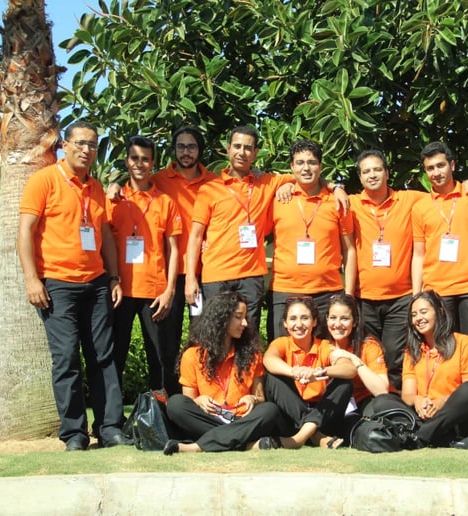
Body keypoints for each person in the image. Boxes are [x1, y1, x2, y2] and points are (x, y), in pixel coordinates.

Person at [18, 121, 130, 450]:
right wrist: (32, 279)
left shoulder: (95, 188)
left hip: (96, 284)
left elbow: (105, 234)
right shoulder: (44, 181)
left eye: (92, 144)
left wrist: (113, 277)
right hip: (57, 285)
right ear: (64, 146)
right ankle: (74, 434)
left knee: (103, 358)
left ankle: (109, 428)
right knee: (66, 359)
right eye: (80, 143)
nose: (86, 150)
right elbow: (25, 231)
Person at [185, 126, 348, 334]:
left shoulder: (267, 182)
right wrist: (191, 278)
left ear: (255, 153)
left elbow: (306, 175)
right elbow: (195, 236)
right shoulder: (209, 189)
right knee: (213, 335)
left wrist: (335, 187)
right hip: (216, 275)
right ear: (228, 149)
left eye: (248, 148)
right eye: (237, 146)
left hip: (251, 277)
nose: (241, 152)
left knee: (248, 336)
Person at [350, 150, 468, 391]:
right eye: (366, 171)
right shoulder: (350, 204)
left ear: (387, 173)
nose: (372, 175)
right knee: (366, 355)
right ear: (359, 177)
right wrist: (334, 186)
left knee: (395, 357)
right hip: (364, 298)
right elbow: (324, 191)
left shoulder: (411, 199)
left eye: (377, 169)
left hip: (401, 298)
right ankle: (369, 407)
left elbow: (443, 190)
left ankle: (397, 406)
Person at [108, 127, 217, 361]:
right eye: (181, 146)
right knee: (168, 341)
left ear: (200, 150)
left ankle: (197, 381)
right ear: (173, 150)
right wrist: (114, 184)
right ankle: (171, 384)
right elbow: (136, 179)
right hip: (170, 274)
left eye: (191, 146)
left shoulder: (214, 183)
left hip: (203, 271)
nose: (186, 152)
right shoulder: (159, 179)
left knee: (203, 335)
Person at [411, 141, 468, 405]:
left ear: (452, 165)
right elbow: (418, 254)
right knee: (444, 355)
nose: (436, 172)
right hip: (437, 292)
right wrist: (417, 295)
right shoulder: (421, 206)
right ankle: (447, 411)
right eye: (430, 168)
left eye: (440, 166)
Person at [106, 136, 182, 398]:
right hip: (120, 290)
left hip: (154, 292)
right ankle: (111, 417)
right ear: (127, 161)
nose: (139, 164)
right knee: (114, 355)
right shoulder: (114, 198)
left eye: (145, 159)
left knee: (160, 359)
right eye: (135, 158)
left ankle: (161, 414)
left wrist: (170, 290)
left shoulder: (165, 202)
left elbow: (173, 249)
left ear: (153, 163)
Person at [164, 291, 282, 453]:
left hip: (242, 418)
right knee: (175, 404)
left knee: (270, 410)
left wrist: (253, 398)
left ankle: (197, 447)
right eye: (239, 317)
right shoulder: (192, 355)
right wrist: (199, 401)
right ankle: (244, 444)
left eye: (245, 317)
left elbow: (261, 399)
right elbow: (188, 400)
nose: (245, 323)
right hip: (210, 419)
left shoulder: (252, 355)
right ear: (221, 319)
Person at [371, 290, 468, 450]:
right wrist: (418, 401)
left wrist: (441, 402)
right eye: (413, 315)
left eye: (423, 312)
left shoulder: (465, 343)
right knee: (382, 401)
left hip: (460, 421)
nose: (418, 318)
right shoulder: (412, 351)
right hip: (424, 416)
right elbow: (408, 395)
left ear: (440, 312)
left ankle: (419, 437)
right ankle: (444, 440)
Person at [267, 139, 356, 340]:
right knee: (281, 352)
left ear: (320, 166)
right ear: (292, 167)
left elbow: (349, 249)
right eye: (300, 163)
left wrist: (348, 296)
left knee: (326, 355)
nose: (306, 168)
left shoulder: (337, 202)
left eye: (312, 162)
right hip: (284, 291)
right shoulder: (279, 200)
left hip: (327, 293)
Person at [263, 296, 357, 448]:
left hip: (323, 414)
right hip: (290, 417)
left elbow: (350, 369)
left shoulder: (324, 346)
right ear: (285, 323)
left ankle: (301, 437)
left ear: (314, 322)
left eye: (305, 318)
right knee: (272, 377)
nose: (299, 324)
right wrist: (294, 372)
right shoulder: (281, 343)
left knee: (344, 383)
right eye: (293, 319)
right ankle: (315, 436)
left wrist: (318, 372)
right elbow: (268, 360)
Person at [325, 293, 389, 443]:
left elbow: (381, 390)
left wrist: (353, 359)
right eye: (333, 318)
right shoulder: (321, 345)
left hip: (365, 401)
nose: (338, 324)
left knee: (376, 416)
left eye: (344, 318)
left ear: (354, 322)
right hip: (335, 404)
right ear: (326, 319)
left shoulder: (369, 345)